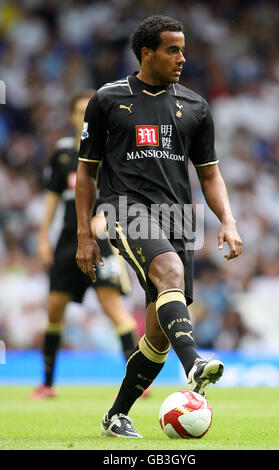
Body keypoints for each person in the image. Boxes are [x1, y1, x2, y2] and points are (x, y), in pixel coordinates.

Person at [75, 15, 242, 438]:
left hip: (179, 219)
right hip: (124, 209)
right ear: (146, 53)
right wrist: (83, 233)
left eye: (183, 49)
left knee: (158, 335)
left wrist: (228, 219)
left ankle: (116, 416)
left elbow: (209, 173)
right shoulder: (108, 99)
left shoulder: (196, 106)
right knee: (167, 272)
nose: (182, 58)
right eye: (173, 49)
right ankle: (196, 365)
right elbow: (87, 172)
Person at [30, 90, 137, 400]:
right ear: (72, 116)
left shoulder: (112, 149)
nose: (83, 115)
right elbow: (52, 198)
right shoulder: (63, 153)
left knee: (114, 310)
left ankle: (137, 382)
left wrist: (107, 220)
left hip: (101, 241)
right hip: (66, 241)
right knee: (54, 311)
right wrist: (41, 239)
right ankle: (48, 384)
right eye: (78, 111)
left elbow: (124, 193)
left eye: (87, 110)